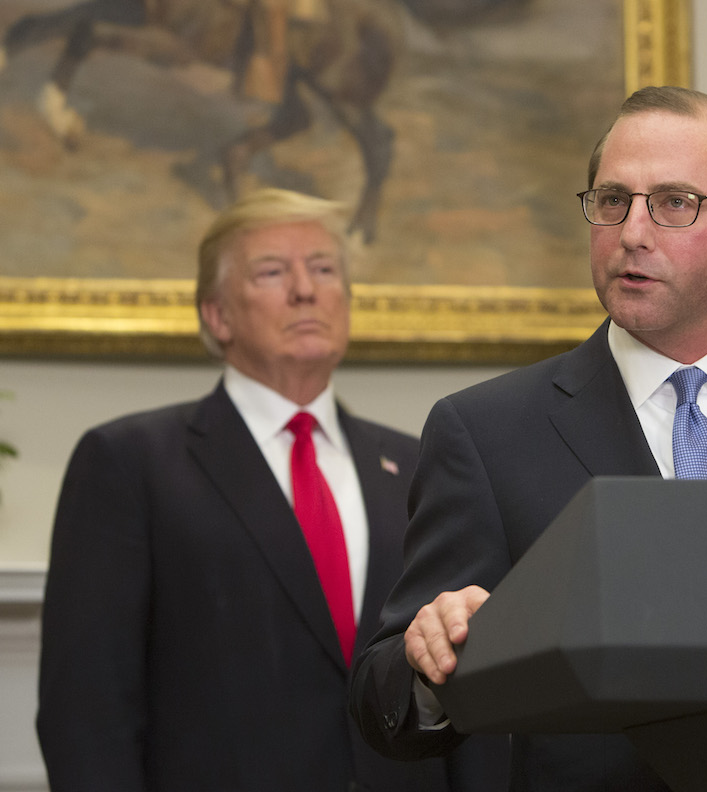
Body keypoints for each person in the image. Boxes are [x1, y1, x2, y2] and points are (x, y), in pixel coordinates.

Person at [348, 86, 707, 790]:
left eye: (674, 203)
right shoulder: (489, 433)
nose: (631, 231)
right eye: (612, 200)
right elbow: (383, 698)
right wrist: (429, 662)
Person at [36, 188, 507, 792]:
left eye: (323, 269)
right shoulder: (130, 463)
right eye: (271, 272)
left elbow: (463, 673)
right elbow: (86, 709)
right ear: (217, 314)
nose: (305, 290)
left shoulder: (419, 462)